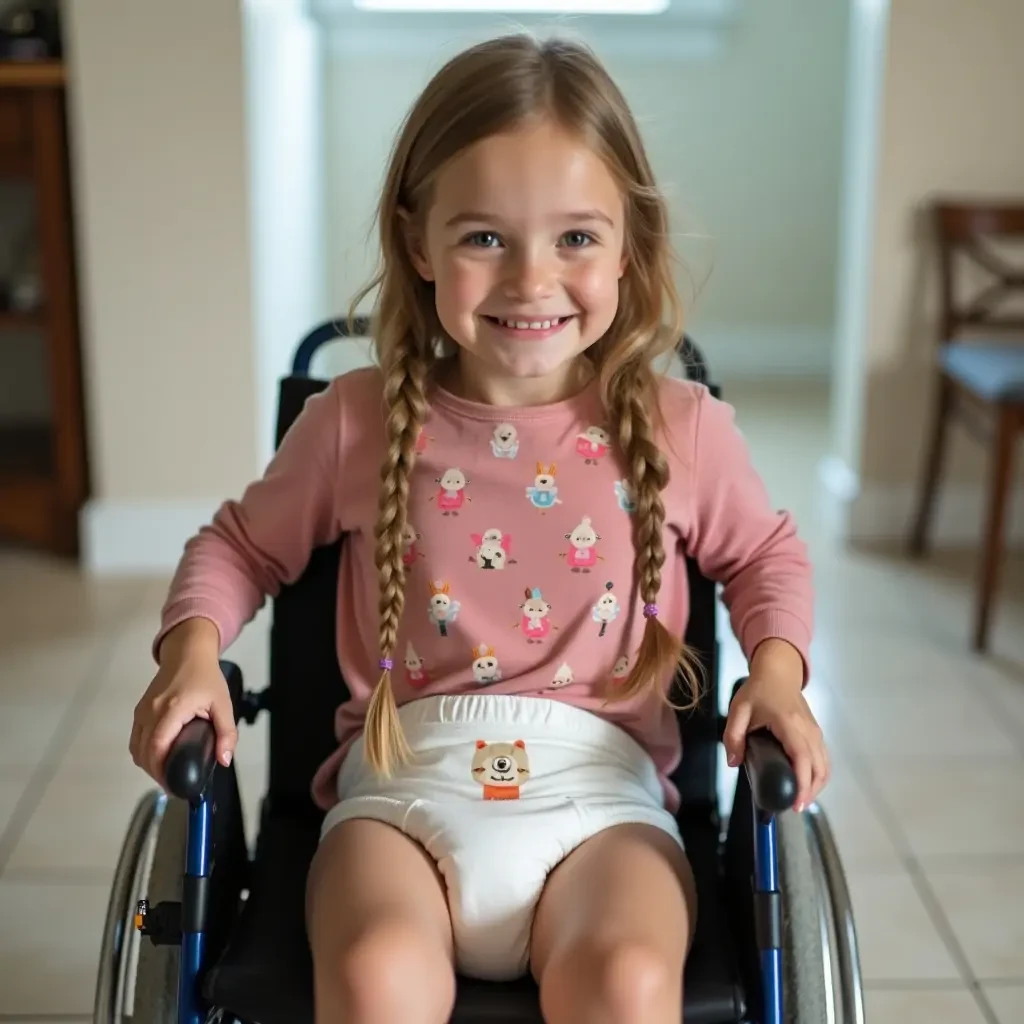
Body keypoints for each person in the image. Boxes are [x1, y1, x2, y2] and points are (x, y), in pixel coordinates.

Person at [129, 32, 829, 1024]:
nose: (530, 279)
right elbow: (237, 546)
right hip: (402, 796)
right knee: (375, 971)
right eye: (484, 237)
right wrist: (192, 653)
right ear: (419, 242)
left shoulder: (683, 428)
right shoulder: (354, 420)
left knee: (628, 981)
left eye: (575, 238)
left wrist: (778, 673)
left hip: (604, 803)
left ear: (628, 243)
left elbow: (765, 553)